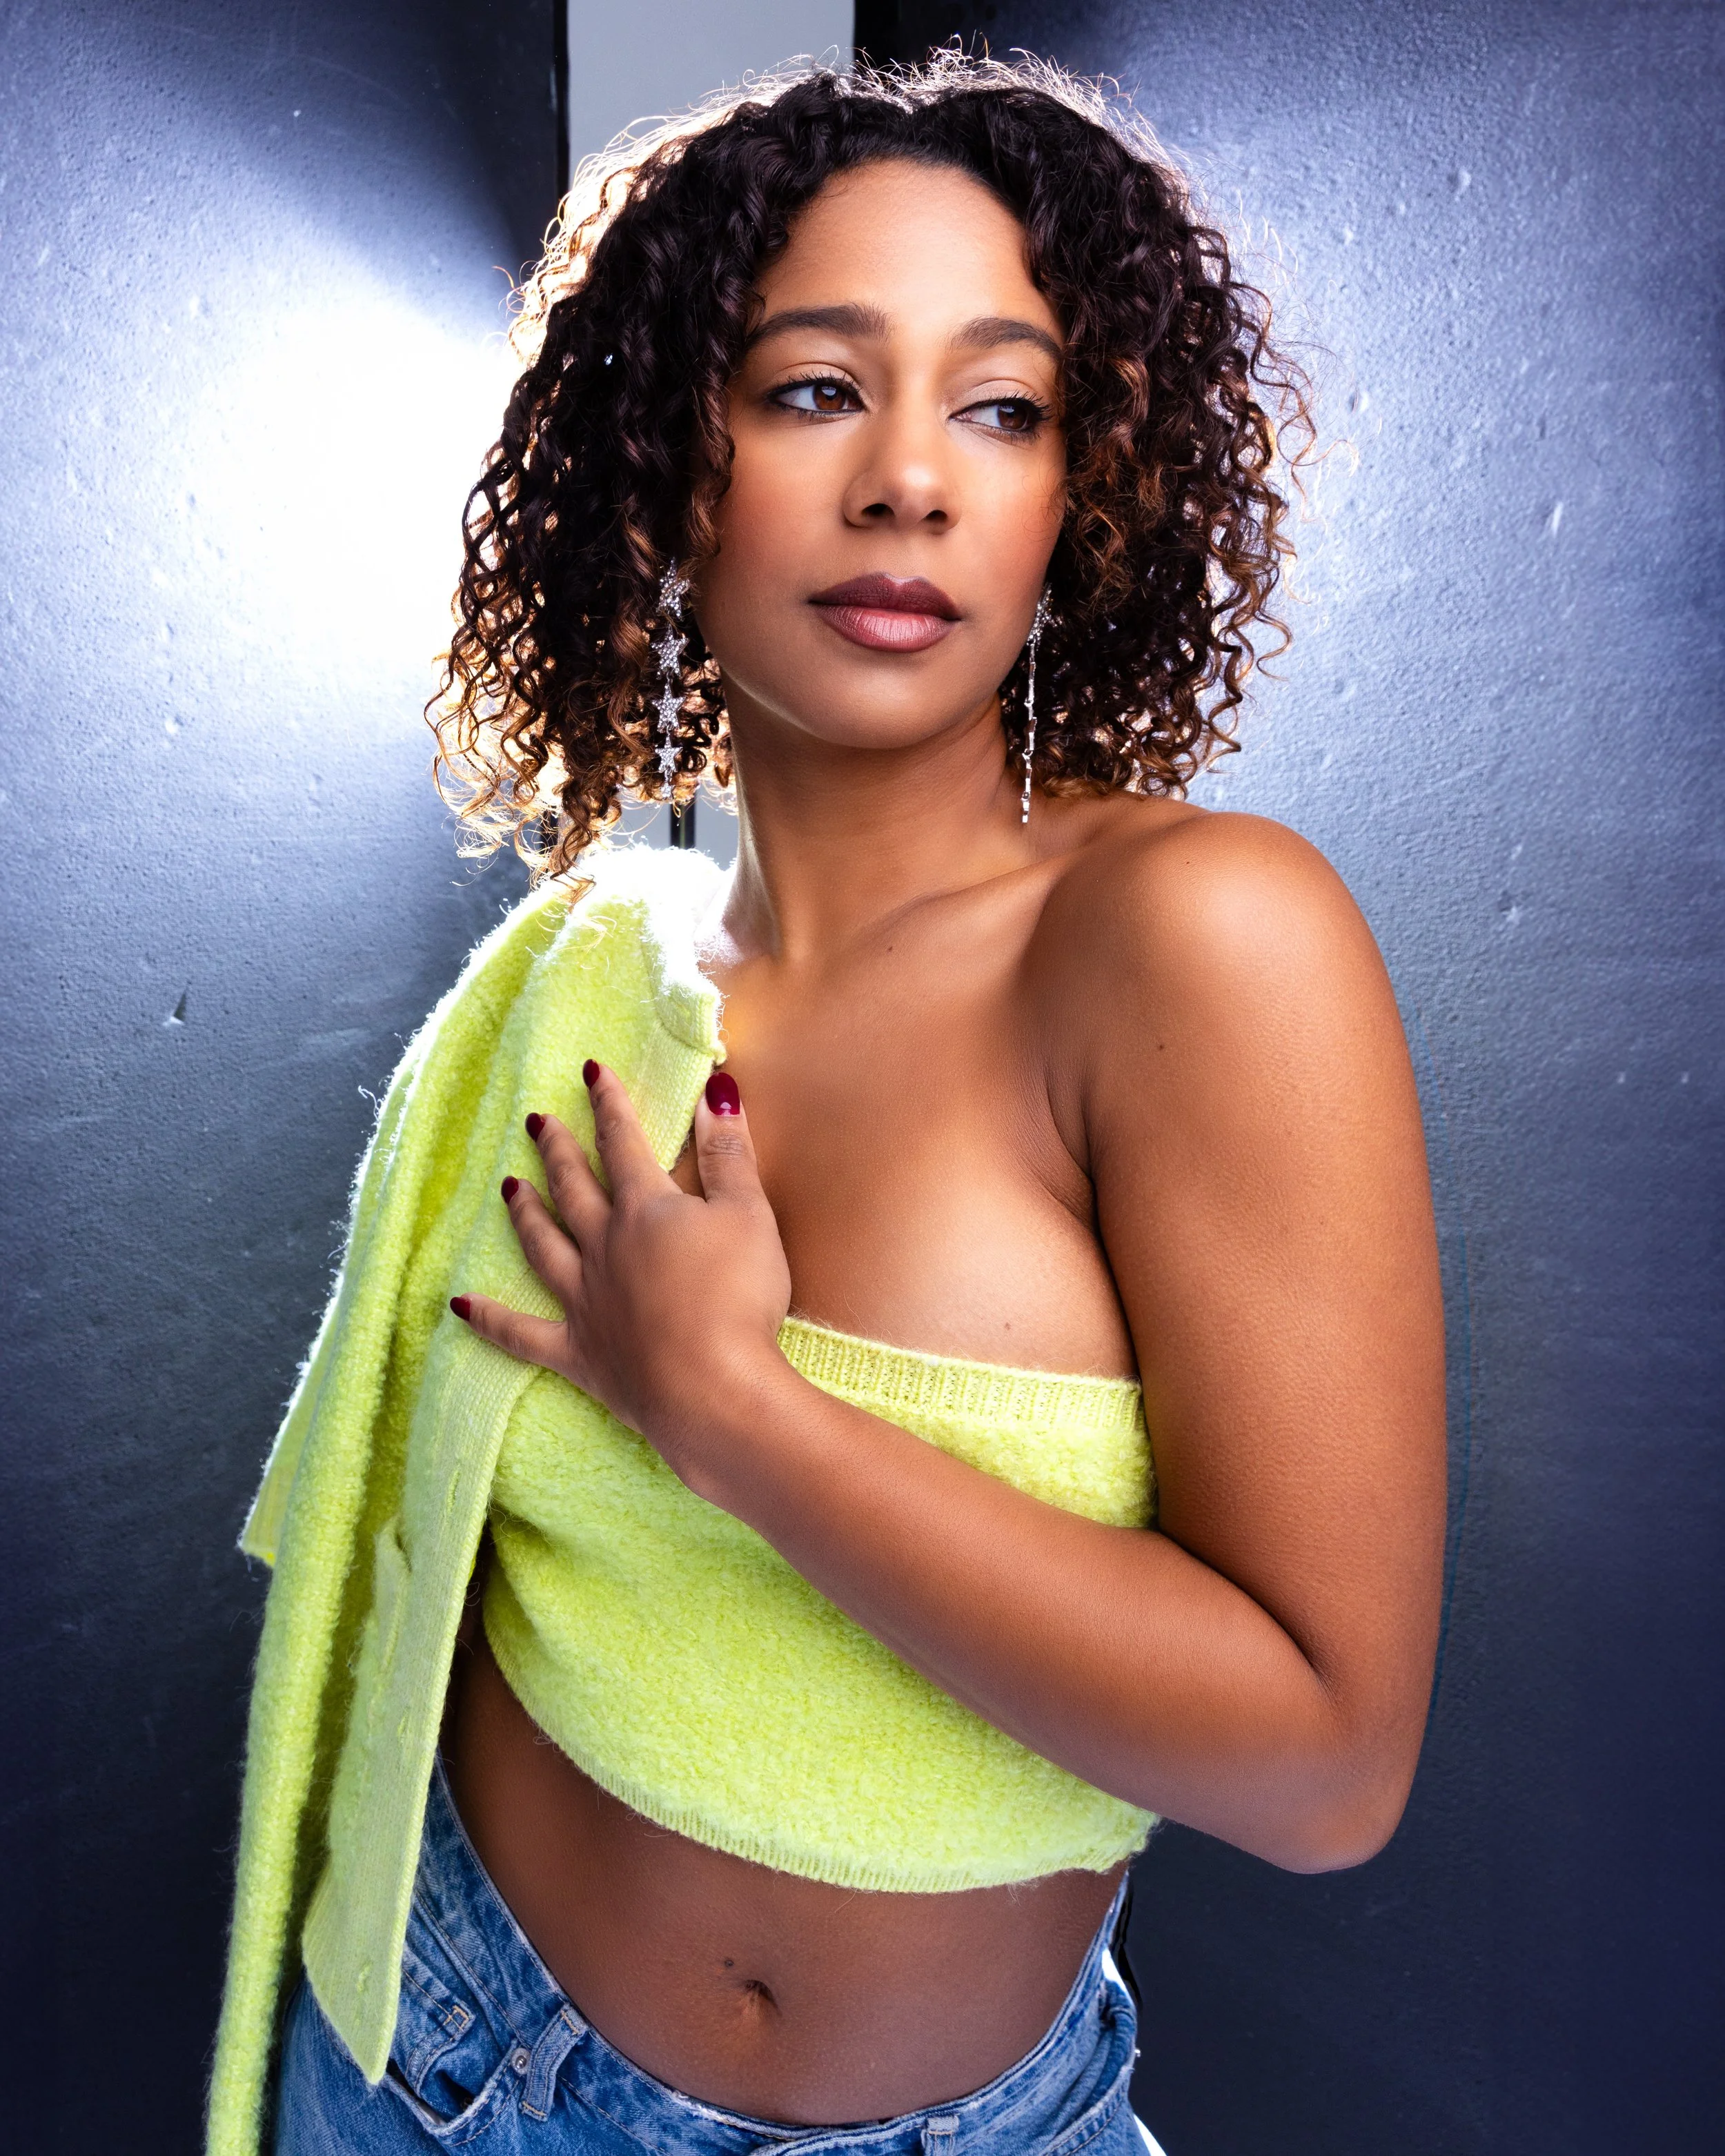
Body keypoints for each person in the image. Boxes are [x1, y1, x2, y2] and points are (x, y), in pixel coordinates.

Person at [208, 50, 1446, 2156]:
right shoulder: (603, 965)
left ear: (1087, 489)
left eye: (1000, 404)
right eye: (809, 390)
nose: (908, 484)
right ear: (662, 454)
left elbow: (1323, 1763)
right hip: (419, 2043)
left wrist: (738, 1413)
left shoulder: (1190, 940)